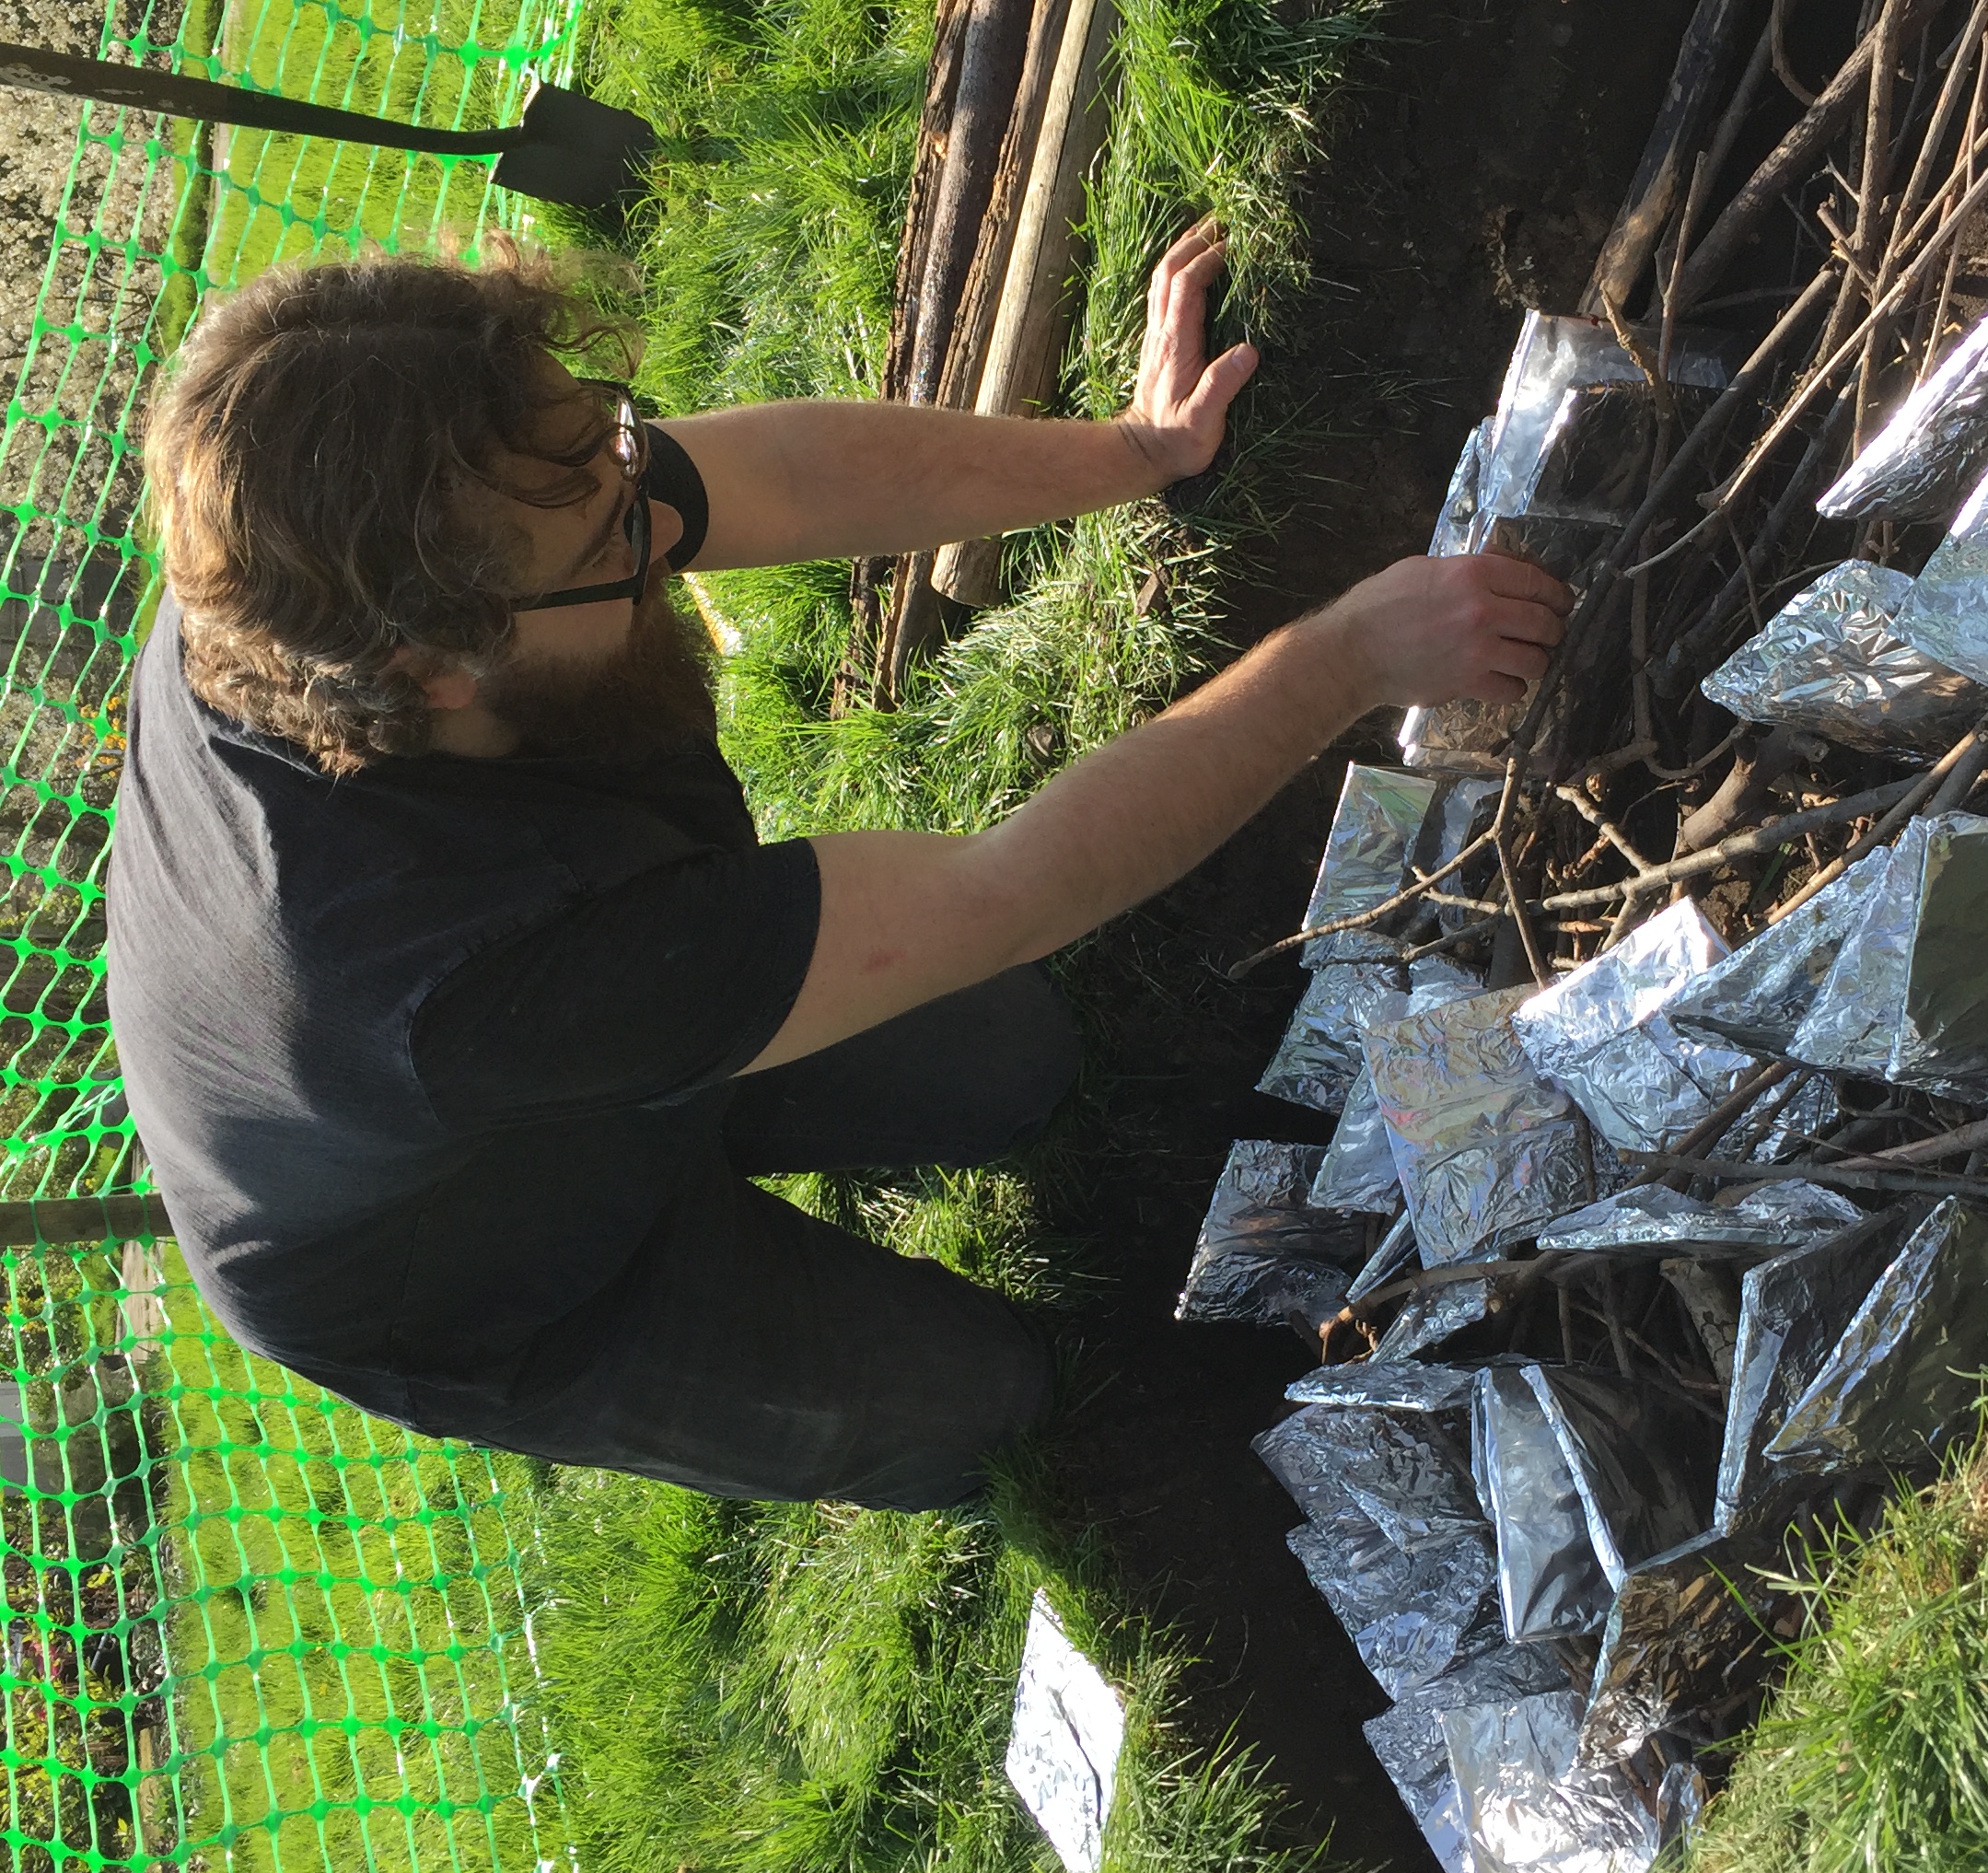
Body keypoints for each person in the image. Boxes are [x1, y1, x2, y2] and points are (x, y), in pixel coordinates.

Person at [108, 226, 1570, 1508]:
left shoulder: (357, 541)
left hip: (563, 999)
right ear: (432, 673)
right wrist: (1349, 658)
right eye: (617, 531)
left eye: (615, 447)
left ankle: (721, 1090)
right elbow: (1014, 887)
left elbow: (782, 481)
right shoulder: (459, 973)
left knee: (1018, 1055)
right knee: (984, 1409)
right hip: (472, 1271)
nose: (652, 509)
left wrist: (1136, 452)